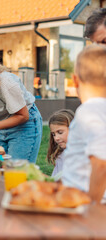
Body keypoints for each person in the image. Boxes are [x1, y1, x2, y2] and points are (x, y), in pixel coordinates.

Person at [61, 45, 106, 203]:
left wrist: (91, 207)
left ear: (75, 80)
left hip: (84, 203)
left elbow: (101, 163)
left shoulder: (89, 111)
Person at [46, 109, 75, 177]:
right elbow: (55, 180)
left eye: (60, 132)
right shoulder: (60, 155)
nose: (56, 138)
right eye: (53, 134)